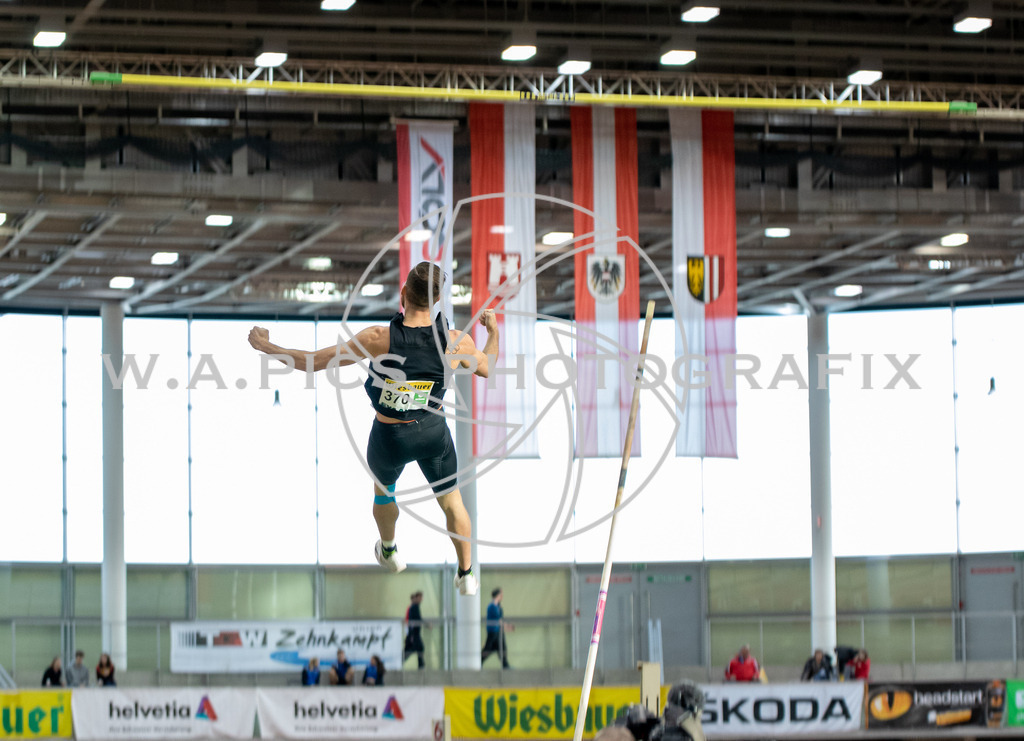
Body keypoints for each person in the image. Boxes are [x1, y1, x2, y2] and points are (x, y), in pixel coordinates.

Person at [249, 262, 498, 597]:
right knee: (452, 501)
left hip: (389, 438)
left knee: (384, 490)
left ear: (403, 295)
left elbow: (312, 362)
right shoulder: (456, 342)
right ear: (438, 301)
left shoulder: (378, 338)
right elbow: (488, 367)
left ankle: (390, 549)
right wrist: (493, 332)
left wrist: (268, 347)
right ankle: (467, 573)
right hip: (432, 432)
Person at [481, 587, 510, 668]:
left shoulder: (498, 606)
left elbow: (500, 618)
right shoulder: (492, 606)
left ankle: (505, 665)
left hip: (498, 631)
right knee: (489, 648)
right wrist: (506, 626)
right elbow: (498, 619)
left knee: (501, 647)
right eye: (501, 594)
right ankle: (480, 661)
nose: (502, 596)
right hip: (493, 631)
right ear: (498, 595)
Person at [404, 591, 426, 669]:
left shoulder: (414, 607)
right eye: (419, 597)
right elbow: (415, 620)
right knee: (415, 648)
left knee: (417, 648)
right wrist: (411, 634)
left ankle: (421, 665)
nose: (421, 599)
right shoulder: (413, 607)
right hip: (414, 633)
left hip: (414, 633)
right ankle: (421, 666)